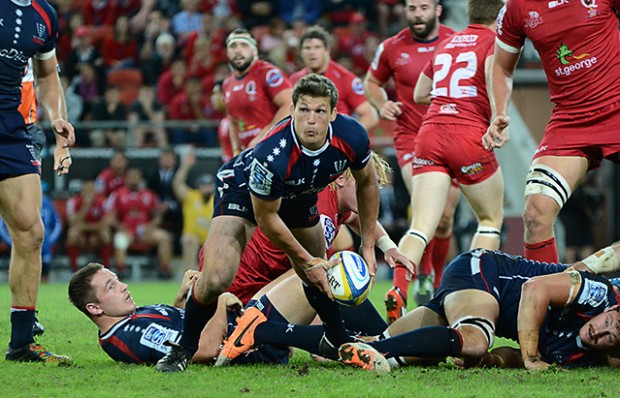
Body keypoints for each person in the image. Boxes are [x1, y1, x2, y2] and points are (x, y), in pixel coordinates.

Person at [155, 74, 381, 373]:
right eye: (303, 110)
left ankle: (337, 341)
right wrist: (303, 260)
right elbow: (266, 218)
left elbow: (367, 184)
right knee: (217, 278)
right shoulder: (272, 153)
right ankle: (183, 349)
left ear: (333, 114)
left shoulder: (352, 135)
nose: (310, 120)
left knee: (319, 269)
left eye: (319, 111)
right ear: (292, 110)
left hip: (297, 194)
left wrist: (368, 245)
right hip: (241, 189)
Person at [336, 242, 620, 371]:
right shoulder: (600, 295)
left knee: (415, 353)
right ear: (612, 311)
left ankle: (335, 344)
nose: (601, 332)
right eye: (609, 324)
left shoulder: (582, 356)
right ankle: (377, 351)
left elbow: (517, 357)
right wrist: (532, 357)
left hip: (479, 296)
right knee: (474, 340)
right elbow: (535, 289)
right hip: (485, 271)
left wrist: (492, 361)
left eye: (612, 337)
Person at [482, 0, 620, 264]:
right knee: (536, 214)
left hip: (617, 107)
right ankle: (550, 300)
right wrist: (499, 112)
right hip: (570, 120)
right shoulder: (516, 8)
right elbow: (501, 66)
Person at [398, 0, 506, 311]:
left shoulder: (446, 44)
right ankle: (472, 297)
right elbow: (493, 78)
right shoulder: (494, 42)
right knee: (489, 219)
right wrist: (497, 116)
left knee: (420, 226)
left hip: (430, 133)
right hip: (468, 135)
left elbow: (420, 94)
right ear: (499, 17)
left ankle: (398, 289)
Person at [364, 0, 457, 318]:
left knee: (444, 217)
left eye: (424, 7)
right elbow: (371, 83)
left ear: (438, 10)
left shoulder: (455, 41)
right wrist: (381, 105)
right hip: (411, 139)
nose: (418, 14)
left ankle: (433, 275)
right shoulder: (391, 46)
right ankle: (417, 283)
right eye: (412, 7)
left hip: (450, 134)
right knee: (423, 207)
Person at [1, 0, 74, 364]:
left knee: (31, 234)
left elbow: (46, 75)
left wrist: (57, 119)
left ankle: (22, 343)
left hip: (14, 133)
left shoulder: (44, 14)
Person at [290, 25, 380, 258]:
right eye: (307, 47)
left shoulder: (345, 78)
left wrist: (347, 142)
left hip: (339, 161)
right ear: (301, 53)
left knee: (339, 215)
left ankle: (340, 275)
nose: (312, 52)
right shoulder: (294, 82)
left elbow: (370, 114)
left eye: (317, 47)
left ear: (327, 51)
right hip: (304, 159)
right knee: (330, 222)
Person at [222, 29, 293, 155]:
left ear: (254, 50)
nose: (238, 50)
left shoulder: (267, 73)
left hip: (275, 150)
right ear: (228, 53)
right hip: (249, 155)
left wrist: (264, 137)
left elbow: (289, 104)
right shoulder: (227, 83)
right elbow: (232, 121)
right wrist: (236, 150)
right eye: (233, 46)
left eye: (244, 45)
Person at [105, 168, 173, 279]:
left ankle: (164, 270)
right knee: (120, 240)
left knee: (164, 237)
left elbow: (158, 216)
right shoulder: (118, 195)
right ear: (126, 179)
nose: (133, 180)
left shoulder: (149, 195)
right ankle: (121, 271)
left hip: (145, 231)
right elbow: (110, 218)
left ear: (140, 179)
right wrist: (121, 228)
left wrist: (150, 227)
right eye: (131, 177)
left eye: (136, 177)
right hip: (127, 231)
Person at [172, 151, 215, 271]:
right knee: (189, 239)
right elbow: (177, 184)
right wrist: (186, 166)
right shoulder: (191, 196)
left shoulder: (217, 199)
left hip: (211, 240)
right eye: (203, 185)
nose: (206, 187)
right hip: (194, 238)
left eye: (209, 184)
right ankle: (191, 273)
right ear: (198, 186)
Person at [66, 180, 113, 272]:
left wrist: (87, 227)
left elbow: (107, 222)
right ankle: (73, 269)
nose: (89, 194)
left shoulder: (102, 202)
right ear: (82, 192)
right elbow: (72, 222)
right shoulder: (74, 201)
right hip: (82, 236)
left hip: (96, 234)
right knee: (72, 234)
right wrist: (85, 207)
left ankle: (107, 267)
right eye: (86, 191)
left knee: (105, 234)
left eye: (91, 191)